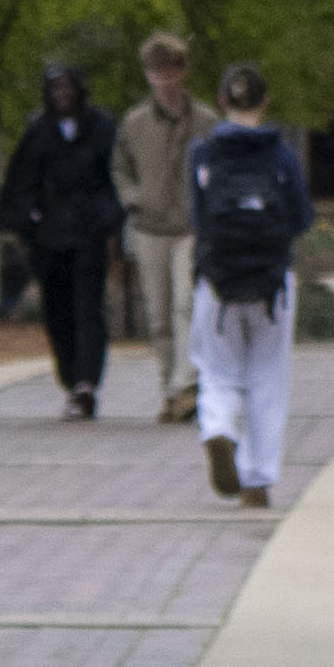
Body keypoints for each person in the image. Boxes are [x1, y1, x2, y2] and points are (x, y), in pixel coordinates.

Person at [184, 61, 315, 509]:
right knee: (267, 377)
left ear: (222, 103)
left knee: (218, 371)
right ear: (266, 102)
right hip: (271, 284)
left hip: (217, 283)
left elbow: (199, 219)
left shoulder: (203, 154)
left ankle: (218, 428)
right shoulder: (281, 156)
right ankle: (257, 478)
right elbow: (301, 218)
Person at [0, 62, 127, 419]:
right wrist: (27, 221)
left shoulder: (101, 129)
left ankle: (86, 382)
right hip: (49, 238)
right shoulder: (38, 132)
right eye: (56, 90)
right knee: (57, 310)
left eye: (68, 88)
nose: (62, 95)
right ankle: (70, 377)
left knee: (88, 308)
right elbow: (20, 183)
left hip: (88, 234)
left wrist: (110, 221)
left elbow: (116, 179)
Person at [113, 33, 204, 424]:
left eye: (171, 73)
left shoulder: (205, 122)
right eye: (156, 74)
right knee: (159, 315)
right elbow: (120, 167)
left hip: (189, 226)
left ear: (183, 73)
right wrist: (132, 196)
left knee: (187, 304)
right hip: (149, 226)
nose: (164, 82)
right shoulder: (133, 123)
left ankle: (187, 384)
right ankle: (169, 387)